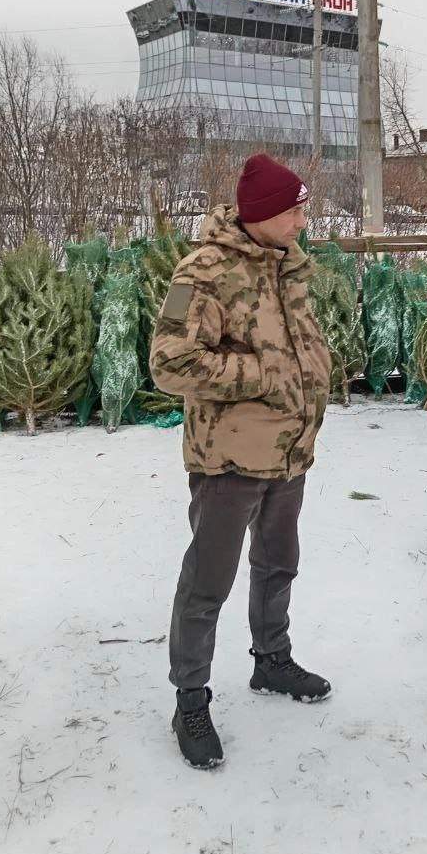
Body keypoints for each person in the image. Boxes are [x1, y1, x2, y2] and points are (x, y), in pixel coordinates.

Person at [150, 153, 333, 769]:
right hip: (228, 458)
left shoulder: (289, 266)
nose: (304, 219)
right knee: (208, 582)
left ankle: (272, 660)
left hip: (288, 451)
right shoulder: (203, 273)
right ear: (262, 214)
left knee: (278, 562)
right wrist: (260, 373)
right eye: (295, 209)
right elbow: (170, 363)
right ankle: (190, 698)